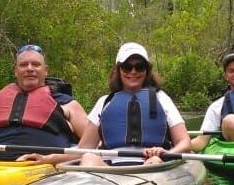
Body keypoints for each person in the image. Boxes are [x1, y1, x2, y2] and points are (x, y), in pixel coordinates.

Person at [20, 42, 190, 167]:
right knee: (87, 157)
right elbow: (83, 148)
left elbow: (184, 142)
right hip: (110, 171)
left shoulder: (161, 99)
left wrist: (165, 153)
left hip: (151, 164)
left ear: (147, 70)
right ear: (118, 69)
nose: (133, 72)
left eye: (139, 67)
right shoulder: (105, 102)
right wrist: (46, 159)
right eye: (127, 67)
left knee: (153, 162)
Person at [0, 44, 88, 159]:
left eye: (36, 64)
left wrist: (57, 158)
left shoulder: (67, 104)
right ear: (16, 71)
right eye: (23, 65)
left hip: (40, 162)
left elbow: (93, 143)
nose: (30, 68)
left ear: (46, 70)